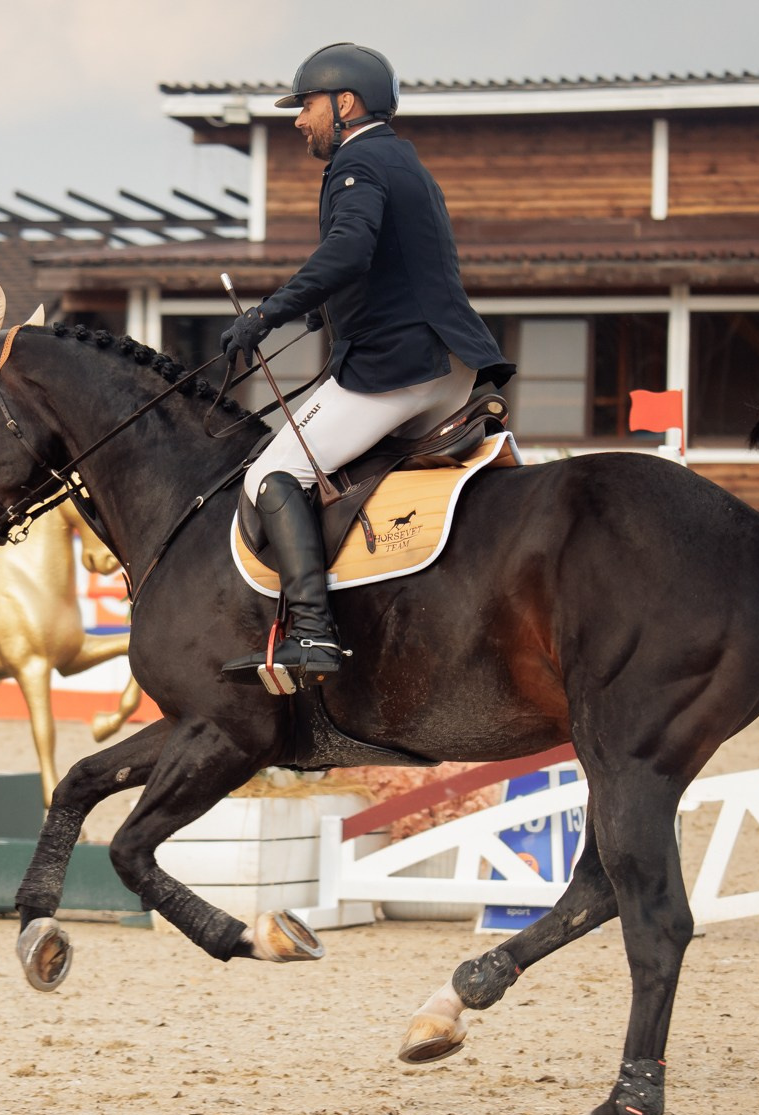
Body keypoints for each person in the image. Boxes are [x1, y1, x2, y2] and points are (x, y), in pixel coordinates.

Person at [218, 41, 514, 689]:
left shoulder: (357, 163)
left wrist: (265, 315)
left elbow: (349, 252)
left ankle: (314, 635)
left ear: (344, 103)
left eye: (307, 106)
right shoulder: (402, 160)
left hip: (399, 366)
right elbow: (384, 269)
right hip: (449, 363)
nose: (299, 120)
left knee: (273, 473)